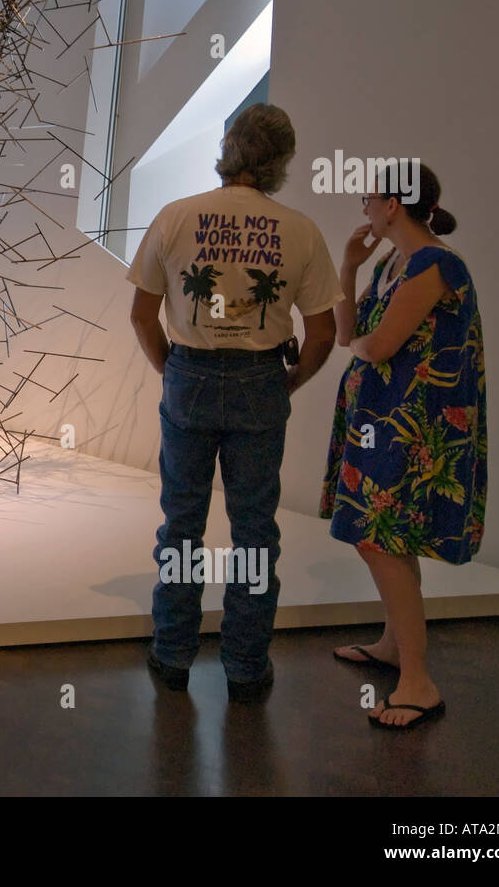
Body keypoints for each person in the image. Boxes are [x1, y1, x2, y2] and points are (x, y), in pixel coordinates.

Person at [129, 103, 342, 701]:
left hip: (189, 377)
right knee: (254, 531)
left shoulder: (176, 217)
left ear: (228, 149)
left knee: (182, 526)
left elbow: (143, 315)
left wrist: (173, 370)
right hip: (260, 383)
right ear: (279, 162)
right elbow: (323, 332)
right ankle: (246, 667)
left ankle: (173, 655)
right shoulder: (299, 230)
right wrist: (288, 382)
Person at [322, 163, 485, 730]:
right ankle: (396, 647)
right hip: (384, 422)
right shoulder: (396, 263)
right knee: (389, 538)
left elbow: (380, 345)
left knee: (379, 539)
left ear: (393, 204)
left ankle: (418, 680)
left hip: (413, 430)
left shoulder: (435, 264)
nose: (364, 208)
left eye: (369, 198)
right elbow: (348, 335)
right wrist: (348, 265)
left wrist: (364, 346)